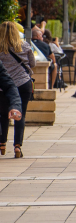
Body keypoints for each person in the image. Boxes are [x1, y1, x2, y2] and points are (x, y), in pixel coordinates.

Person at [0, 22, 34, 158]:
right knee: (20, 114)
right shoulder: (24, 46)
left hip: (3, 86)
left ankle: (2, 143)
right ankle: (17, 146)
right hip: (23, 83)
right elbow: (33, 64)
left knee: (2, 115)